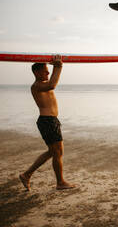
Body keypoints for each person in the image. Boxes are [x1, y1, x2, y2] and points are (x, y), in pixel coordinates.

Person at [19, 55, 75, 191]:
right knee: (57, 152)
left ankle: (27, 174)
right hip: (47, 121)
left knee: (53, 152)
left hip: (51, 121)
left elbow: (51, 82)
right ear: (37, 72)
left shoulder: (42, 84)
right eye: (45, 70)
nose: (48, 72)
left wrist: (56, 65)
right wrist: (59, 66)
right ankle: (60, 182)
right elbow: (52, 85)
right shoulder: (37, 85)